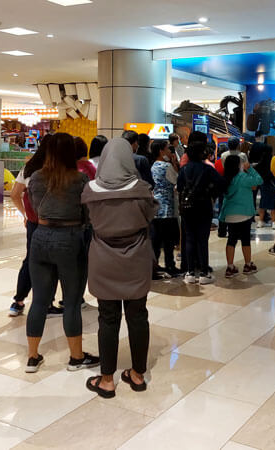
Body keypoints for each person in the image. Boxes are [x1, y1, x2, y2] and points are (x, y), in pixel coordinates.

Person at [82, 138, 157, 399]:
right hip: (136, 259)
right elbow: (150, 216)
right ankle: (137, 374)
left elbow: (87, 220)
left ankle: (106, 380)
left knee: (108, 318)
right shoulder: (141, 189)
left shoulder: (90, 190)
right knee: (138, 316)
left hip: (103, 260)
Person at [26, 133, 100, 373]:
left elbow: (36, 210)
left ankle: (33, 357)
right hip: (70, 239)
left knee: (38, 300)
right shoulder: (80, 179)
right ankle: (76, 358)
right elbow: (87, 215)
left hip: (40, 237)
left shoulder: (36, 177)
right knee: (70, 302)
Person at [8, 136, 64, 317]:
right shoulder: (58, 170)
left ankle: (18, 301)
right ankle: (47, 303)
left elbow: (15, 194)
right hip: (54, 223)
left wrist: (25, 214)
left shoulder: (29, 168)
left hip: (34, 223)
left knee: (31, 260)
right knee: (52, 262)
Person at [177, 137, 227, 284]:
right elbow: (221, 184)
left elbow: (179, 188)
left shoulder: (184, 170)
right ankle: (204, 273)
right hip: (204, 207)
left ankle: (190, 272)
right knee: (202, 240)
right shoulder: (207, 169)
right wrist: (211, 193)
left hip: (187, 208)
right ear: (202, 153)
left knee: (190, 238)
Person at [220, 155, 262, 278]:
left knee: (231, 240)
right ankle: (248, 265)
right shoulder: (243, 177)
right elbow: (259, 180)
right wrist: (250, 169)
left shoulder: (226, 178)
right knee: (245, 239)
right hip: (244, 214)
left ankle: (230, 267)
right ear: (238, 165)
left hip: (230, 215)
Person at [150, 140, 181, 276]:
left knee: (156, 241)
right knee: (168, 241)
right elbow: (177, 181)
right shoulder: (166, 166)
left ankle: (154, 266)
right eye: (167, 149)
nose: (170, 151)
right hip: (167, 207)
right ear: (161, 151)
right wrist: (175, 165)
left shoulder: (153, 166)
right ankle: (170, 266)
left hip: (155, 206)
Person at [254, 141, 275, 228]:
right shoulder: (273, 160)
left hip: (263, 183)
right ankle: (274, 221)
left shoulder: (261, 161)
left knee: (263, 202)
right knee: (273, 203)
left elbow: (257, 169)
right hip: (273, 183)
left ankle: (261, 221)